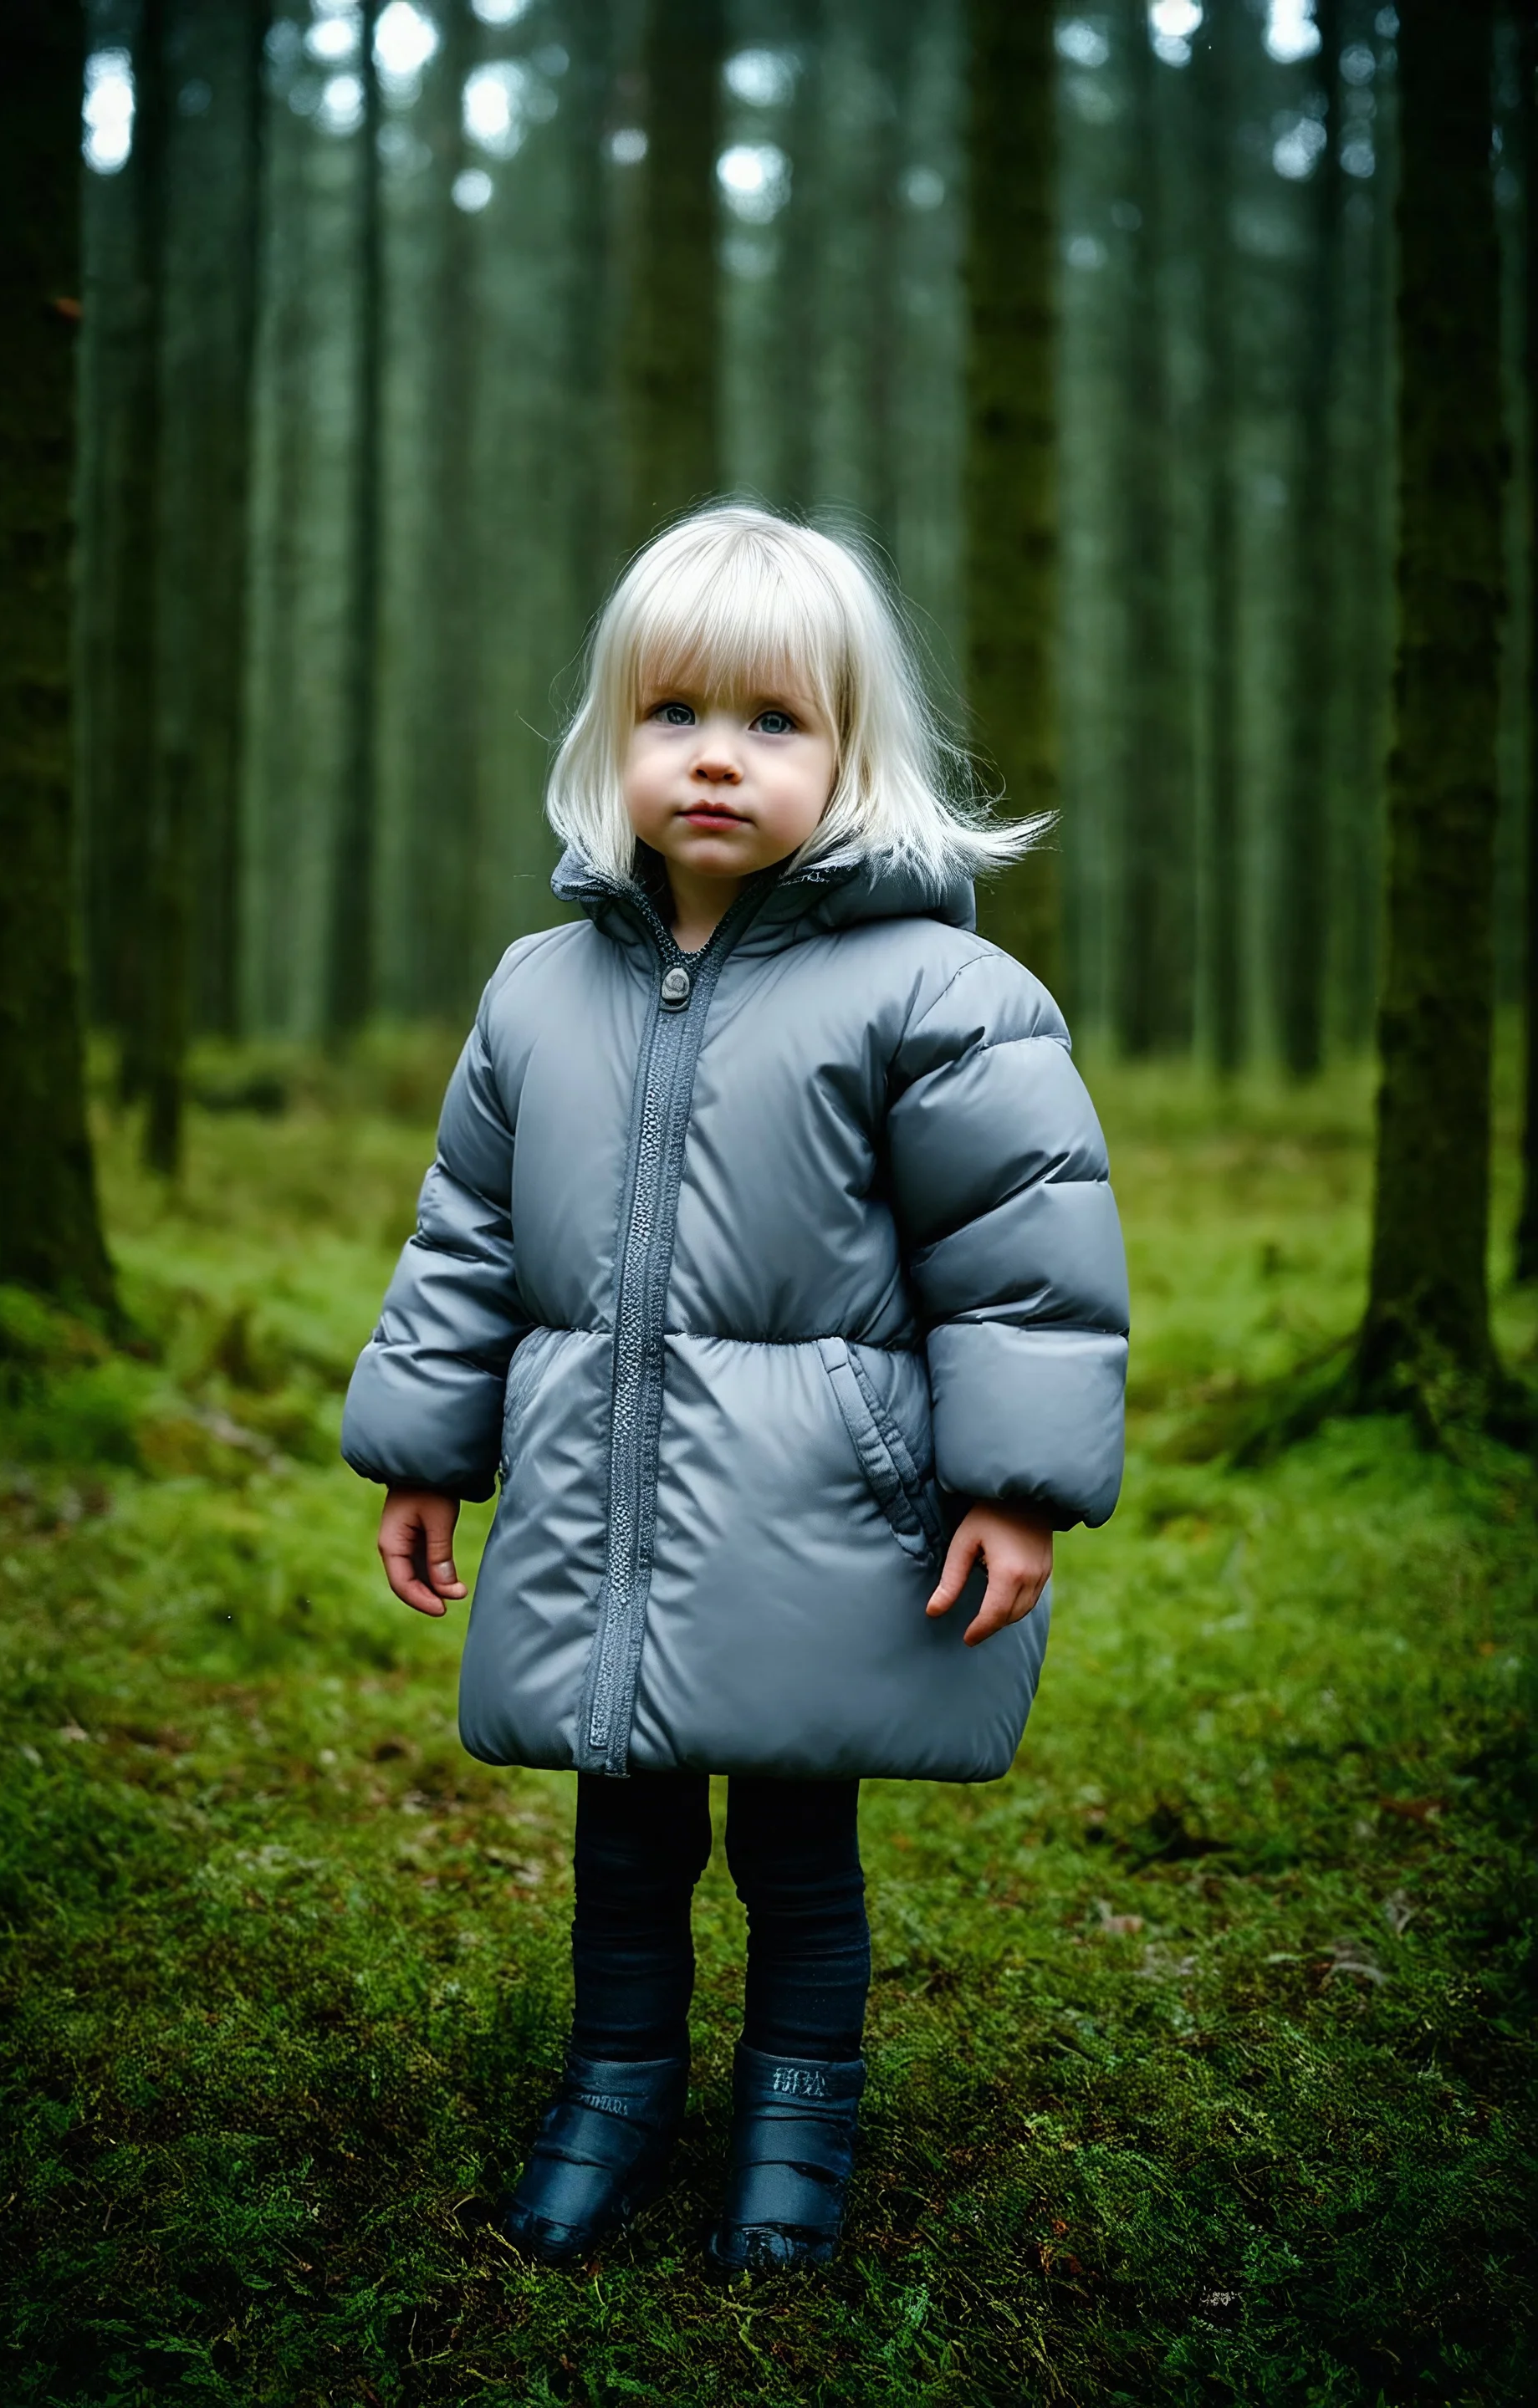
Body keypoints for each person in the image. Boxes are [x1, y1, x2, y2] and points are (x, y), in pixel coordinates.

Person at [341, 504, 1128, 2276]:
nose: (717, 756)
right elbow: (467, 1229)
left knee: (796, 1844)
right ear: (610, 738)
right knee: (620, 1837)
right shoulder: (539, 994)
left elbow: (1026, 1261)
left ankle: (797, 2113)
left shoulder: (936, 994)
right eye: (674, 711)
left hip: (817, 1522)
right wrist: (423, 1446)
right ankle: (614, 2087)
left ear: (855, 752)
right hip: (600, 1508)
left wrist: (1015, 1482)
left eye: (774, 720)